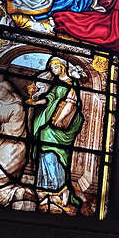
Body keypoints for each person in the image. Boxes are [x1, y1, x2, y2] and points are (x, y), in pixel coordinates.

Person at [32, 57, 84, 212]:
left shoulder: (72, 83)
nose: (53, 70)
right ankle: (45, 188)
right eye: (51, 67)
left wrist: (59, 120)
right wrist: (36, 102)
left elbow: (70, 104)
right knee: (44, 140)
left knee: (50, 142)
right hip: (53, 118)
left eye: (55, 67)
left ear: (62, 67)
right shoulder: (57, 84)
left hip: (64, 123)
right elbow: (50, 99)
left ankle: (60, 189)